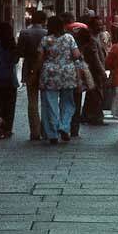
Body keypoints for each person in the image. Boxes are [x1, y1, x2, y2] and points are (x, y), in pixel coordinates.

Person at [34, 16, 82, 145]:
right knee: (68, 103)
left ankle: (52, 133)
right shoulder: (69, 38)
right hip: (68, 73)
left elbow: (39, 59)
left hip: (49, 74)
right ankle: (64, 126)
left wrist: (34, 73)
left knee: (50, 104)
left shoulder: (45, 40)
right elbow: (76, 55)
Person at [17, 11, 47, 141]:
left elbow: (20, 52)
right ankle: (46, 129)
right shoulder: (47, 33)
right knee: (47, 100)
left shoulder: (24, 33)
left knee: (32, 101)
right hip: (45, 68)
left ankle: (34, 131)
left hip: (29, 67)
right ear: (44, 20)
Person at [0, 22, 19, 138]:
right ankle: (7, 129)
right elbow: (16, 61)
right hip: (10, 79)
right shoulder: (13, 45)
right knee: (10, 105)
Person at [78, 23, 107, 126]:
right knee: (97, 94)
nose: (100, 26)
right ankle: (97, 116)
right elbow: (95, 58)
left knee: (91, 94)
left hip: (92, 70)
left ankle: (86, 115)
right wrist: (102, 71)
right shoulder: (92, 41)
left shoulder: (96, 38)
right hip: (94, 71)